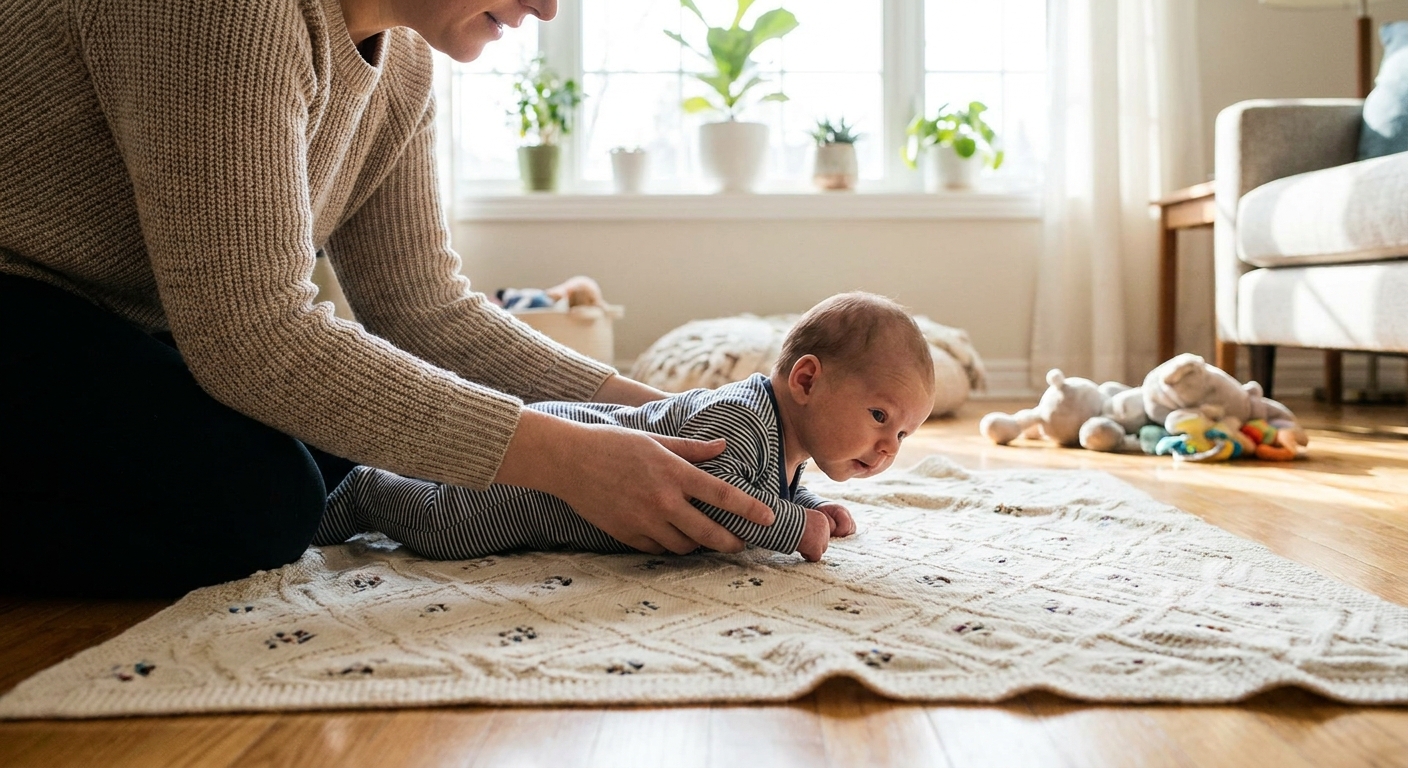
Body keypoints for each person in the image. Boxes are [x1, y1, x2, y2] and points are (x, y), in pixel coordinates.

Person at [0, 0, 772, 598]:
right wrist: (575, 461)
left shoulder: (403, 65)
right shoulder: (225, 14)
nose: (548, 9)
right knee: (262, 502)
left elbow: (424, 309)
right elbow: (252, 336)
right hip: (26, 301)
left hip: (119, 330)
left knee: (342, 445)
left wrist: (665, 427)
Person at [314, 293, 936, 562]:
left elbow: (762, 486)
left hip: (567, 445)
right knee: (441, 524)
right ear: (805, 381)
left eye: (903, 435)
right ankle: (357, 492)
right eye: (880, 417)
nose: (886, 448)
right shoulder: (742, 422)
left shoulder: (782, 441)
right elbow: (720, 500)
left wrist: (808, 501)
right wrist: (796, 526)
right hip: (513, 491)